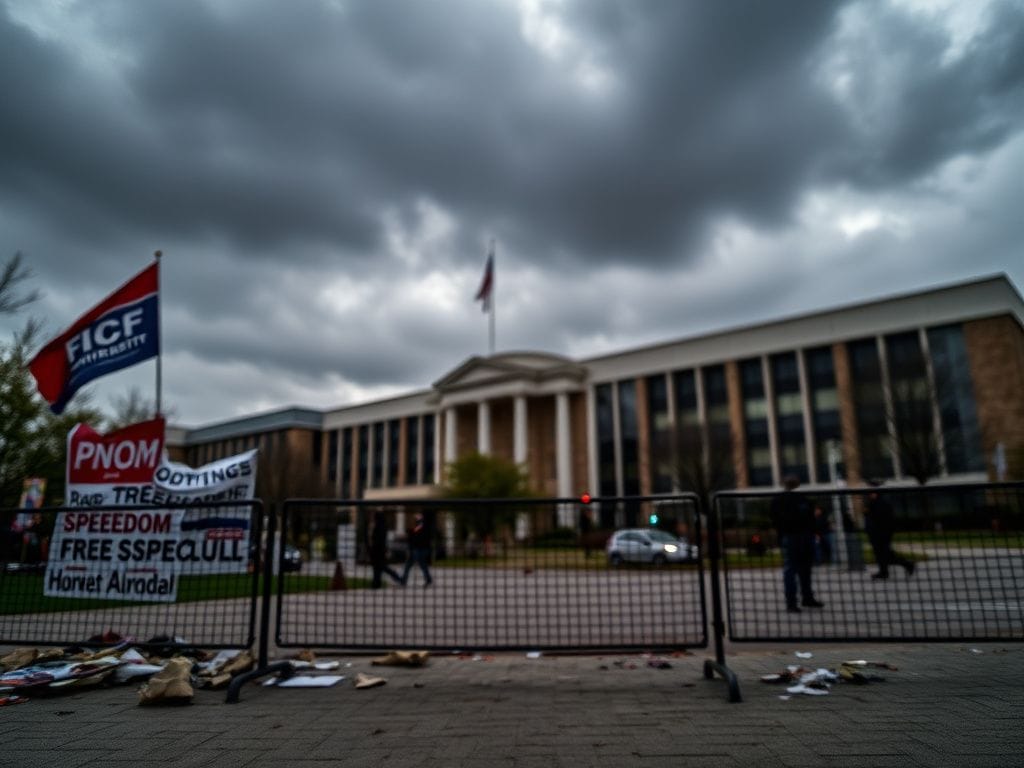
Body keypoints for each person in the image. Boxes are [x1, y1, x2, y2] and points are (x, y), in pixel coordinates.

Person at [769, 475, 824, 612]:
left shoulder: (778, 500)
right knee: (804, 569)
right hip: (803, 536)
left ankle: (792, 602)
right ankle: (807, 597)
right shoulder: (803, 499)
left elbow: (774, 518)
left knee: (791, 570)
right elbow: (810, 518)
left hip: (789, 536)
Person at [864, 482, 915, 580]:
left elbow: (884, 519)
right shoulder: (873, 503)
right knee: (880, 553)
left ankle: (907, 564)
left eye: (871, 492)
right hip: (876, 533)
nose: (869, 494)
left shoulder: (881, 503)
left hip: (881, 533)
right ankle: (884, 572)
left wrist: (882, 531)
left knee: (886, 554)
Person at [367, 510, 404, 589]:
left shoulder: (379, 526)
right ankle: (376, 583)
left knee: (381, 567)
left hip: (378, 550)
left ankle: (396, 579)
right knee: (379, 567)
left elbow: (377, 539)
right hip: (379, 550)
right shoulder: (381, 525)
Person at [401, 512, 433, 587]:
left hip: (419, 549)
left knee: (419, 565)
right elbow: (411, 536)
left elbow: (415, 535)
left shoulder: (422, 526)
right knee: (413, 565)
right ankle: (404, 580)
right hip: (416, 548)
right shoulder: (417, 527)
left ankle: (404, 580)